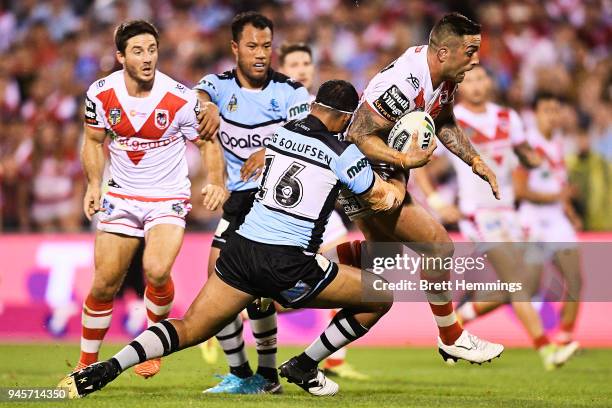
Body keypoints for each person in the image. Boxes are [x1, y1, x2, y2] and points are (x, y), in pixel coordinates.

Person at [59, 79, 403, 398]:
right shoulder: (341, 152)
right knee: (381, 296)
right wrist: (401, 169)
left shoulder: (282, 135)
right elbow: (383, 200)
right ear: (344, 118)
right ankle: (305, 363)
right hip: (288, 262)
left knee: (189, 328)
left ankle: (109, 367)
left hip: (241, 250)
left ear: (314, 106)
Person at [335, 12, 503, 363]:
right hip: (363, 170)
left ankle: (286, 288)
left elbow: (442, 119)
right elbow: (358, 133)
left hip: (381, 167)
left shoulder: (444, 78)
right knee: (439, 246)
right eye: (470, 52)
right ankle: (450, 335)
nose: (475, 61)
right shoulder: (407, 83)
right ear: (443, 52)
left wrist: (474, 160)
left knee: (382, 257)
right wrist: (401, 166)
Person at [75, 20, 225, 378]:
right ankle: (85, 364)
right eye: (138, 51)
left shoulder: (180, 97)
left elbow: (207, 142)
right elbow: (94, 142)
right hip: (121, 196)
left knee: (156, 272)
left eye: (152, 50)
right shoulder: (100, 93)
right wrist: (93, 185)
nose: (147, 58)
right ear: (120, 56)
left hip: (167, 196)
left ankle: (152, 342)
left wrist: (216, 180)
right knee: (104, 284)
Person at [415, 66, 577, 370]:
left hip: (510, 212)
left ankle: (458, 322)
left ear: (489, 82)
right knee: (517, 281)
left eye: (481, 78)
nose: (477, 84)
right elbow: (422, 163)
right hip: (478, 214)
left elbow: (526, 154)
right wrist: (435, 199)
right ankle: (547, 350)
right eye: (471, 79)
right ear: (462, 86)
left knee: (525, 283)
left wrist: (534, 160)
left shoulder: (509, 118)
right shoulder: (452, 120)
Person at [193, 12, 311, 394]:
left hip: (275, 202)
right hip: (238, 200)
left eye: (266, 46)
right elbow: (195, 95)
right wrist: (206, 104)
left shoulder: (289, 92)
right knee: (230, 284)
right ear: (235, 48)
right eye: (252, 46)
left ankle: (256, 375)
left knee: (233, 282)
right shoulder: (218, 86)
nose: (261, 54)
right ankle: (255, 376)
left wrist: (271, 148)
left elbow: (307, 135)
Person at [278, 41, 365, 380]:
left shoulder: (326, 110)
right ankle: (236, 315)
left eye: (306, 63)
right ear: (281, 69)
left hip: (323, 211)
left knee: (341, 272)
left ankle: (334, 359)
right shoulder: (282, 106)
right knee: (314, 283)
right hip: (291, 210)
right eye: (294, 63)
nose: (301, 69)